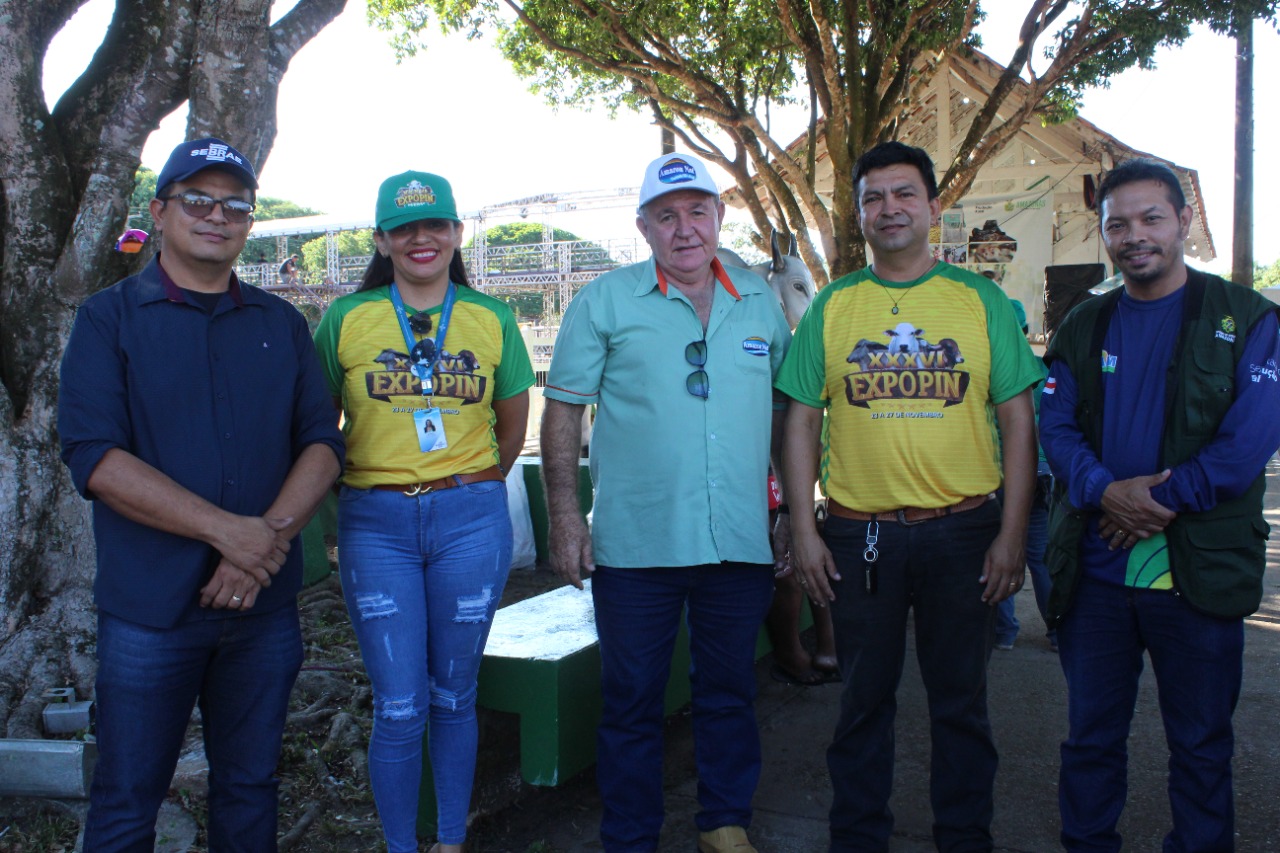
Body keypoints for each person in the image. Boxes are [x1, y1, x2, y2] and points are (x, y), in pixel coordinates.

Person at [58, 136, 344, 852]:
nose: (217, 215)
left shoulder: (281, 324)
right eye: (196, 199)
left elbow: (322, 443)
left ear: (248, 221)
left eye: (235, 205)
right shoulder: (108, 320)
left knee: (249, 788)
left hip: (263, 612)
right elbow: (95, 458)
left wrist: (262, 541)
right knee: (127, 799)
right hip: (150, 613)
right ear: (158, 212)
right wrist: (228, 532)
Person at [777, 140, 1042, 853]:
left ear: (933, 206)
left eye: (903, 194)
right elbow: (800, 418)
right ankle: (858, 838)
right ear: (859, 213)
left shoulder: (980, 301)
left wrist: (1011, 534)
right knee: (861, 704)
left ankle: (964, 838)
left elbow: (1019, 420)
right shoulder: (833, 307)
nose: (888, 208)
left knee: (962, 705)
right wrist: (804, 529)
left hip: (964, 533)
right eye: (873, 198)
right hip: (860, 537)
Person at [541, 152, 791, 853]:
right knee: (630, 700)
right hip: (637, 540)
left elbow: (786, 409)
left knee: (728, 690)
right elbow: (562, 413)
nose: (685, 229)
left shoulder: (756, 298)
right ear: (644, 227)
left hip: (738, 538)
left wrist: (788, 512)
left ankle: (723, 820)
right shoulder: (606, 300)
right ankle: (629, 835)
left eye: (697, 211)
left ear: (718, 216)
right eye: (666, 215)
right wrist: (565, 515)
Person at [1039, 158, 1280, 852]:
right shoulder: (1083, 323)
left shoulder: (1247, 318)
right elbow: (1056, 426)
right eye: (1118, 223)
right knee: (1090, 740)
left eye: (1151, 218)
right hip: (1097, 580)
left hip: (1196, 576)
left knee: (1202, 745)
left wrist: (1158, 499)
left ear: (1183, 222)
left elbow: (1249, 441)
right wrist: (1103, 491)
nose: (1134, 235)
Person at [313, 171, 533, 853]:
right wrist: (330, 528)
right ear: (380, 239)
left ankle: (449, 841)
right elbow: (317, 430)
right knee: (400, 704)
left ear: (456, 233)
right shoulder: (345, 319)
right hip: (376, 524)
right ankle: (401, 845)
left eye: (435, 224)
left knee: (454, 694)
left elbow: (511, 426)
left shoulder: (491, 317)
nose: (421, 238)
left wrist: (467, 485)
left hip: (470, 516)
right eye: (404, 228)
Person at [994, 299, 1055, 652]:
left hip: (1000, 475)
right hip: (1042, 476)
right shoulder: (1044, 372)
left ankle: (1004, 634)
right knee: (1041, 560)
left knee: (999, 551)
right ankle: (1058, 633)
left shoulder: (990, 370)